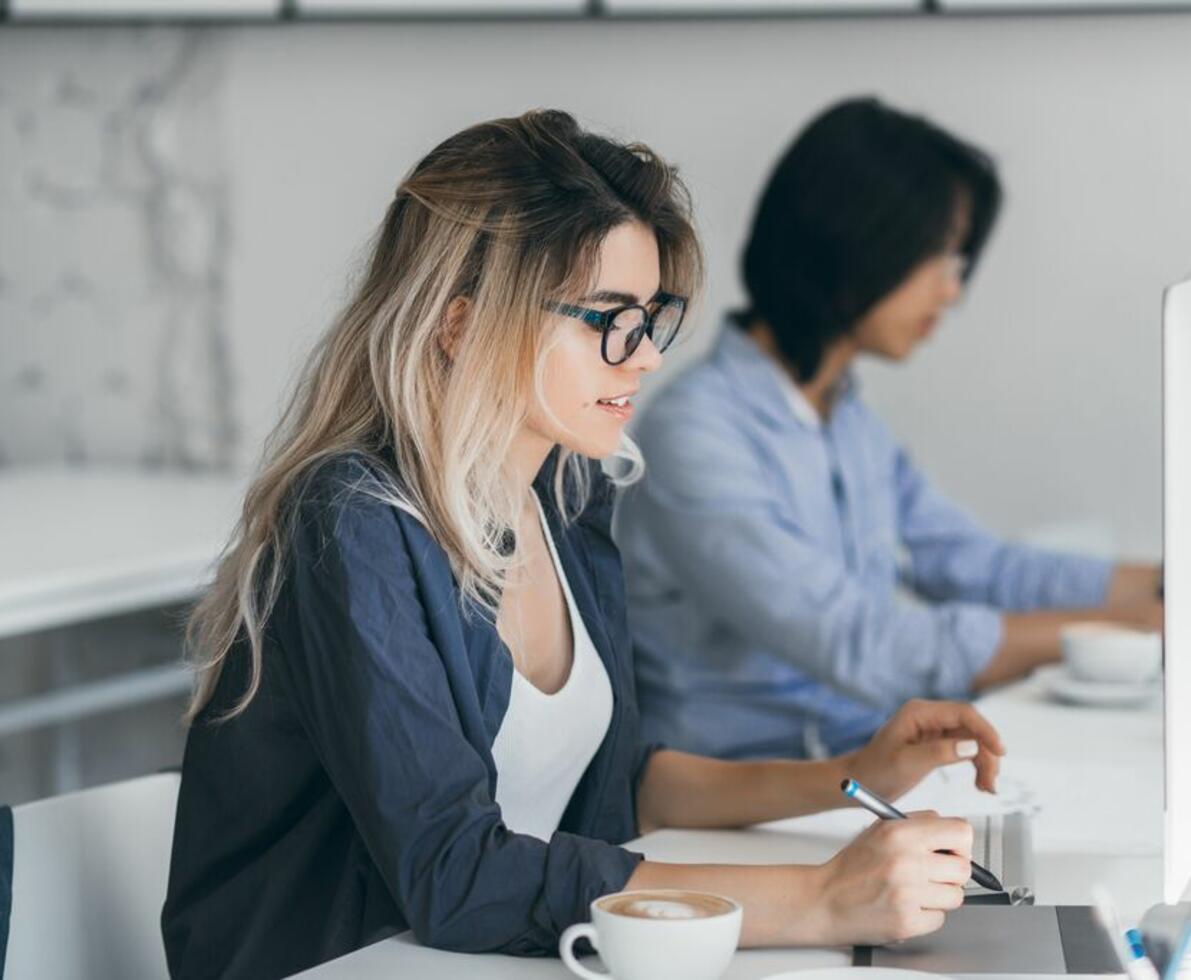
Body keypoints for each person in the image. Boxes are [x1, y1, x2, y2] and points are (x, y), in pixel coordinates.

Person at [161, 109, 1006, 980]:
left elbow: (612, 784)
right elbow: (454, 872)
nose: (639, 357)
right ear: (460, 325)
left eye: (649, 318)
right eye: (607, 318)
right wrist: (820, 900)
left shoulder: (567, 500)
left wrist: (848, 776)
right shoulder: (351, 521)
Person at [615, 97, 1163, 762]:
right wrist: (1131, 629)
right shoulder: (694, 436)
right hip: (751, 801)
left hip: (863, 770)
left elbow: (975, 565)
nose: (950, 292)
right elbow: (865, 644)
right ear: (854, 243)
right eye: (937, 258)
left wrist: (1170, 585)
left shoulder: (845, 417)